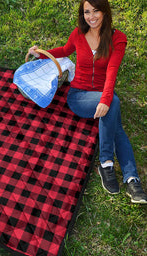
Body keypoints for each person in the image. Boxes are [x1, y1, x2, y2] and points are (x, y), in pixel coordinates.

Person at [28, 0, 147, 204]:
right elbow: (65, 50)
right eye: (87, 12)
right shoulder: (78, 34)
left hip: (102, 93)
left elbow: (112, 71)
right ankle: (110, 165)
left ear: (105, 12)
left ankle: (130, 177)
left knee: (114, 115)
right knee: (114, 107)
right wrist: (41, 55)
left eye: (96, 11)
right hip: (79, 95)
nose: (91, 16)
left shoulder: (118, 39)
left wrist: (106, 99)